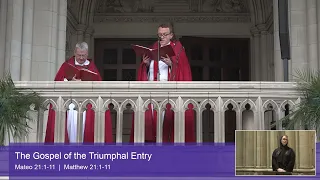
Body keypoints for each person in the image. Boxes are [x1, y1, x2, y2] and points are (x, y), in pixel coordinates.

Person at [129, 23, 195, 143]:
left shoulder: (178, 48)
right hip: (151, 89)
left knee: (166, 120)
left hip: (168, 91)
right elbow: (147, 70)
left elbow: (183, 69)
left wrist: (172, 63)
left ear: (171, 35)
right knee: (151, 119)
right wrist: (146, 64)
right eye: (160, 35)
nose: (162, 37)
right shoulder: (154, 47)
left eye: (165, 34)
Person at [45, 42, 113, 143]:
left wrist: (85, 83)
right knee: (70, 127)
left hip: (87, 105)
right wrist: (69, 82)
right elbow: (57, 83)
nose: (81, 58)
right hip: (70, 105)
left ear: (87, 54)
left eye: (83, 55)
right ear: (74, 53)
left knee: (85, 129)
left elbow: (99, 86)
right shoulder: (66, 65)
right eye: (79, 55)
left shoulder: (92, 67)